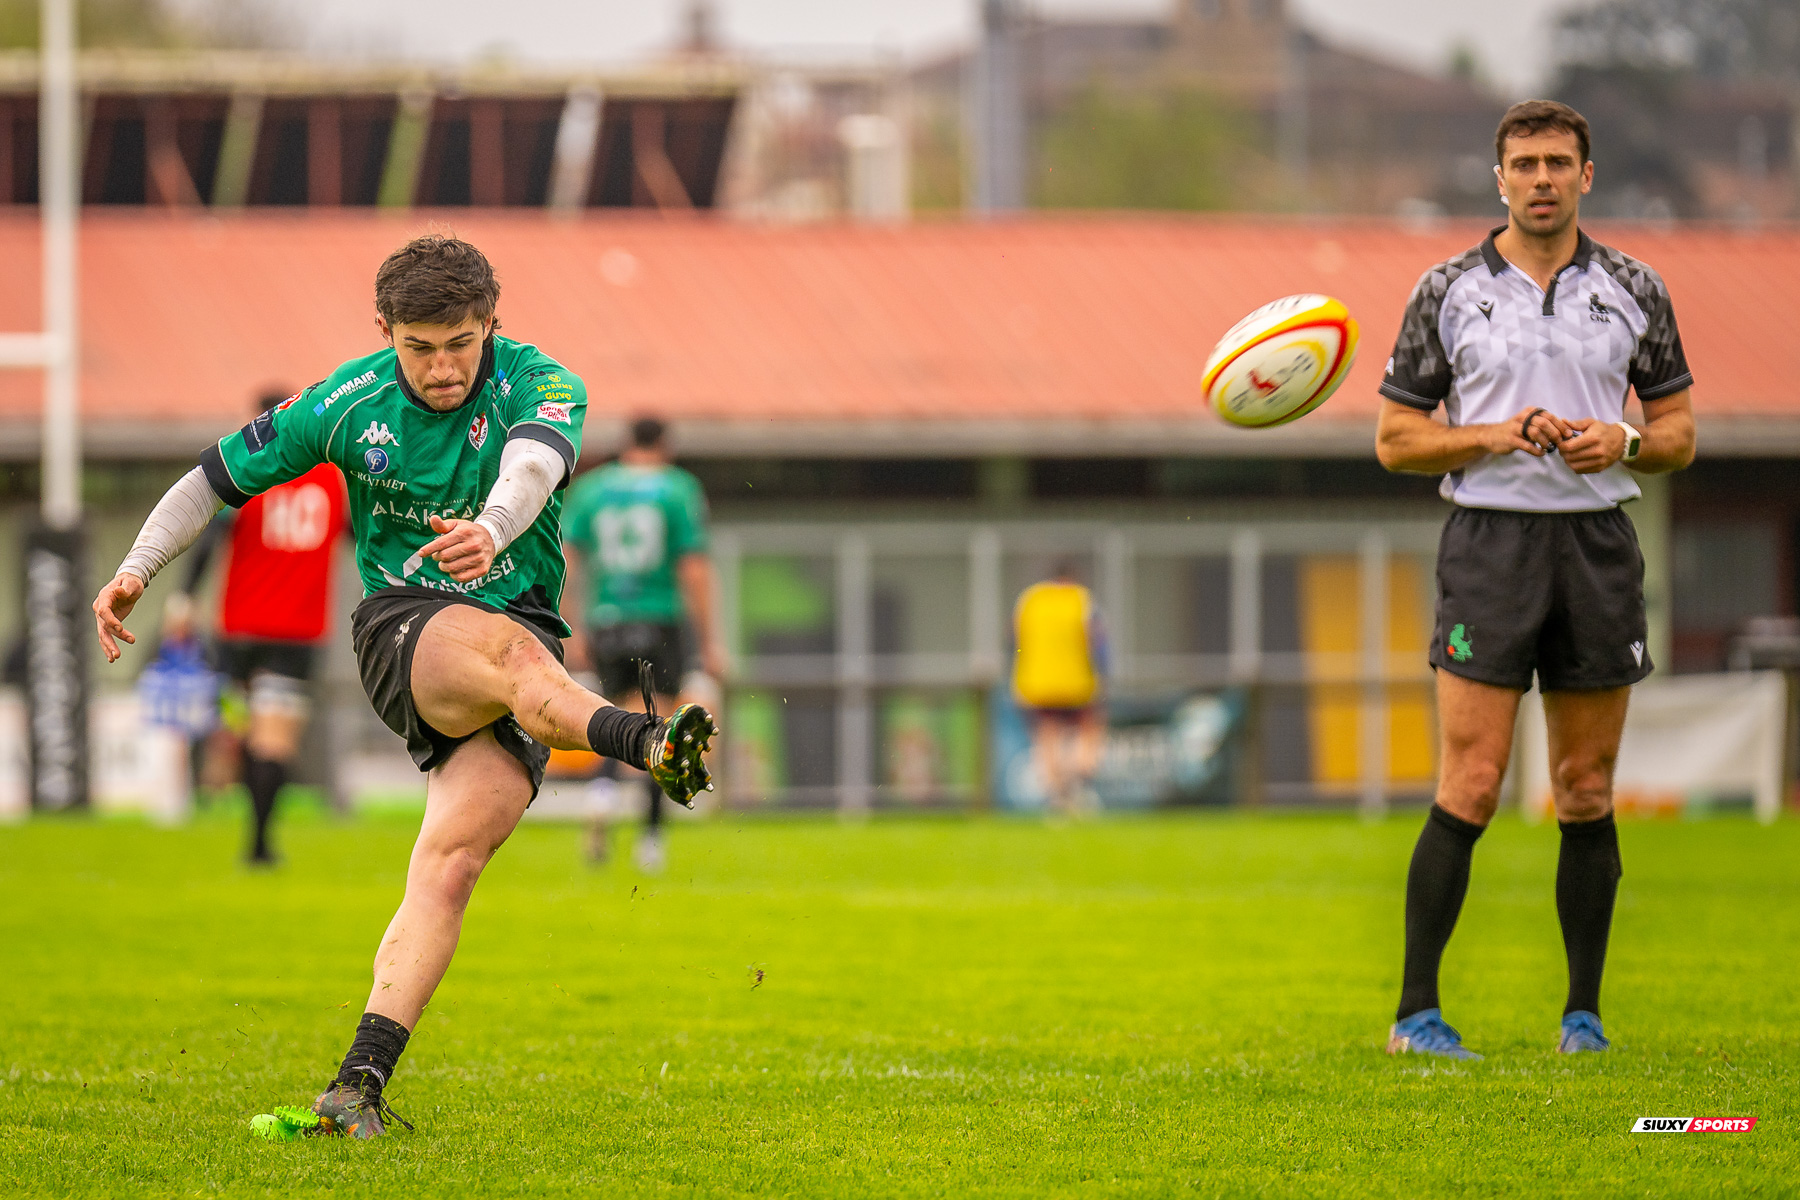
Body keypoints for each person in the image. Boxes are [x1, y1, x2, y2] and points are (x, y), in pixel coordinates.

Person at [91, 234, 716, 1137]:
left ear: (490, 322)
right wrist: (137, 569)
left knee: (450, 867)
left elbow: (533, 463)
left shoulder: (542, 382)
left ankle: (356, 1087)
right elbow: (212, 478)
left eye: (459, 343)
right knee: (516, 663)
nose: (440, 367)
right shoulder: (346, 400)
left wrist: (494, 529)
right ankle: (648, 742)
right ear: (384, 329)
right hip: (406, 628)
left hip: (520, 627)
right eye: (418, 346)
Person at [1374, 100, 1696, 1059]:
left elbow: (1678, 434)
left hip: (1596, 548)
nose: (1544, 178)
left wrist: (1625, 440)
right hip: (1490, 547)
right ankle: (1415, 1016)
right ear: (1499, 177)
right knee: (1471, 781)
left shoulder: (1637, 286)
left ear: (1586, 176)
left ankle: (1583, 1018)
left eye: (1560, 161)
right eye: (1526, 163)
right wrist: (1489, 433)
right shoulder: (1447, 290)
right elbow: (1395, 440)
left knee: (1584, 786)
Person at [173, 389, 350, 864]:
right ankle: (260, 843)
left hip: (239, 631)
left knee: (243, 732)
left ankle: (245, 831)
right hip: (298, 632)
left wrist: (185, 598)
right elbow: (358, 535)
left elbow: (212, 536)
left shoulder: (250, 472)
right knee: (275, 740)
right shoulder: (331, 482)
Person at [561, 416, 722, 871]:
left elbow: (567, 558)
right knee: (661, 728)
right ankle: (651, 840)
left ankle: (601, 796)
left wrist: (573, 624)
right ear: (665, 446)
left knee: (611, 718)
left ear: (625, 444)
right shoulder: (678, 488)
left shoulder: (592, 490)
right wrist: (710, 640)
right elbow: (693, 567)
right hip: (660, 618)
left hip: (607, 619)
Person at [1011, 561, 1108, 815]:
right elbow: (1096, 641)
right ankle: (1080, 787)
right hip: (1077, 682)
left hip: (1037, 683)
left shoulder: (1030, 600)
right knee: (1089, 731)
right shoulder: (1082, 599)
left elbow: (1015, 641)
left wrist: (1018, 675)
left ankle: (1056, 798)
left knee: (1047, 737)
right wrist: (1103, 674)